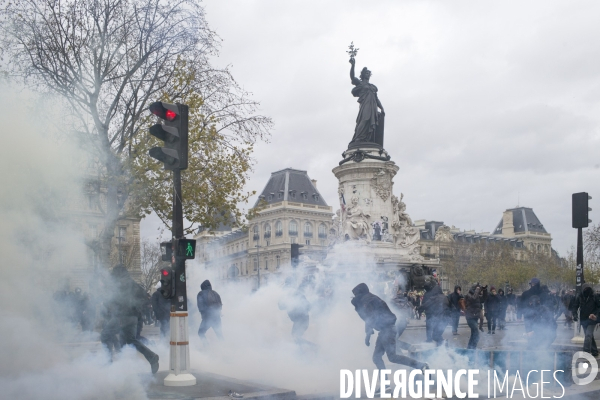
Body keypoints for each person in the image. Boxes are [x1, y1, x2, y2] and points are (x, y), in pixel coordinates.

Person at [351, 283, 428, 373]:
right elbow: (370, 317)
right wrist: (368, 332)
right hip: (385, 330)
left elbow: (370, 317)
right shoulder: (369, 298)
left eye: (355, 294)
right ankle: (386, 385)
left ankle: (421, 366)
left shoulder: (367, 301)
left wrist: (368, 333)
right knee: (376, 357)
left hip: (387, 330)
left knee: (393, 357)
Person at [100, 265, 159, 373]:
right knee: (131, 340)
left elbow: (113, 300)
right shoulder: (134, 284)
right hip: (133, 317)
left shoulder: (119, 284)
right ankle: (152, 357)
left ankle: (107, 362)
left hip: (122, 316)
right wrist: (137, 309)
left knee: (105, 334)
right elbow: (145, 298)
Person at [348, 58, 384, 145]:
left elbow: (376, 98)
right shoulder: (360, 83)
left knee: (371, 122)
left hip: (373, 106)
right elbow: (352, 77)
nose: (368, 74)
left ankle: (367, 139)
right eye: (366, 73)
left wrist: (382, 108)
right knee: (364, 119)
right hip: (365, 105)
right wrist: (353, 65)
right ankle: (358, 138)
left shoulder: (372, 87)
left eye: (369, 73)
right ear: (363, 74)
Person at [278, 278, 312, 344]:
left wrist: (299, 307)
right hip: (298, 321)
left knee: (296, 336)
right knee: (295, 337)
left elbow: (309, 306)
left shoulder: (298, 295)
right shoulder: (287, 297)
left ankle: (313, 348)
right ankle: (303, 351)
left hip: (302, 320)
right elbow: (281, 307)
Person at [571, 283, 600, 356]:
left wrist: (595, 315)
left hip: (592, 319)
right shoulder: (579, 296)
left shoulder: (594, 296)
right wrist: (574, 314)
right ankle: (594, 351)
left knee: (588, 335)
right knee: (589, 336)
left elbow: (598, 307)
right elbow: (575, 306)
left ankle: (586, 353)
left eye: (588, 289)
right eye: (585, 289)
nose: (586, 290)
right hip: (584, 319)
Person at [420, 278, 449, 346]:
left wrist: (419, 309)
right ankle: (441, 345)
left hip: (436, 315)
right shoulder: (444, 297)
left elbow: (426, 304)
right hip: (440, 316)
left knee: (435, 333)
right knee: (436, 333)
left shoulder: (433, 296)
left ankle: (443, 344)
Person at [465, 284, 488, 349]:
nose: (479, 291)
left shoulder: (477, 296)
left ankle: (470, 348)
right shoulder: (469, 295)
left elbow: (484, 298)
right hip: (470, 317)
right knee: (476, 334)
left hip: (475, 317)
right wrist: (477, 289)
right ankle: (472, 348)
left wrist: (485, 290)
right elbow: (473, 299)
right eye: (478, 289)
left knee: (473, 334)